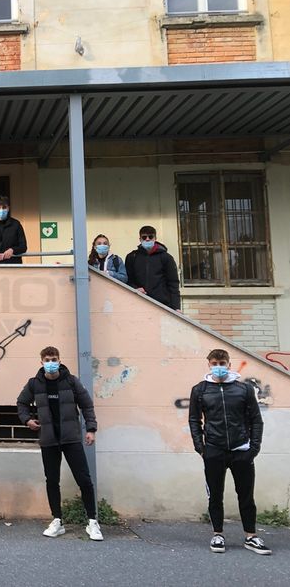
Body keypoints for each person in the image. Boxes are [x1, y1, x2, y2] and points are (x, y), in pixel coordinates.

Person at [188, 349, 270, 555]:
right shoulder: (200, 390)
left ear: (229, 364)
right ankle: (218, 535)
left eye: (222, 363)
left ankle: (251, 537)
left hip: (241, 450)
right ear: (209, 365)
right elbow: (194, 420)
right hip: (214, 451)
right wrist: (201, 448)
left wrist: (254, 448)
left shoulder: (243, 389)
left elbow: (256, 420)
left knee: (246, 496)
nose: (219, 367)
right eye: (215, 363)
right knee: (215, 496)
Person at [17, 346, 103, 542]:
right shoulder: (34, 384)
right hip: (48, 439)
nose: (51, 363)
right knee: (52, 480)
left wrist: (91, 429)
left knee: (84, 479)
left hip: (71, 438)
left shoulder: (71, 381)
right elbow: (21, 403)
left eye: (54, 359)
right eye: (47, 360)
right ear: (41, 362)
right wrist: (27, 420)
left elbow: (87, 405)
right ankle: (57, 520)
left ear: (59, 360)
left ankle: (92, 521)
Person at [125, 225, 180, 310]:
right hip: (139, 303)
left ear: (155, 238)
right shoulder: (132, 257)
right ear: (140, 239)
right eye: (144, 237)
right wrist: (135, 288)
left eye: (150, 237)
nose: (147, 239)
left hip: (162, 305)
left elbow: (173, 283)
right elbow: (128, 280)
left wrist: (176, 307)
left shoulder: (166, 257)